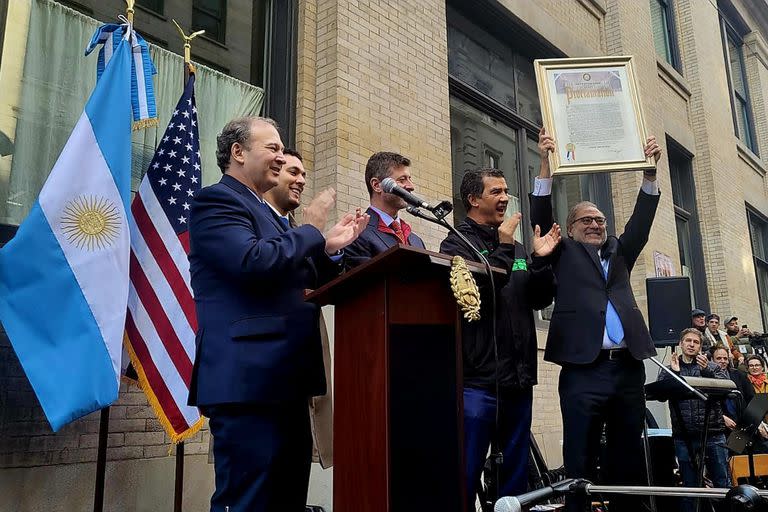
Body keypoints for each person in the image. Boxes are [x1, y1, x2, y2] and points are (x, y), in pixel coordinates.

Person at [187, 116, 368, 511]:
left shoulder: (268, 214)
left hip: (286, 382)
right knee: (249, 501)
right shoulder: (216, 201)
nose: (281, 157)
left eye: (282, 150)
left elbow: (300, 275)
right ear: (238, 152)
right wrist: (314, 227)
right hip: (248, 383)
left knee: (285, 499)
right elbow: (253, 261)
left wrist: (331, 248)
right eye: (273, 148)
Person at [530, 127, 662, 512]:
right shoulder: (563, 251)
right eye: (586, 220)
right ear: (570, 228)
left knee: (628, 458)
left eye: (600, 220)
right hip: (583, 370)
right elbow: (541, 214)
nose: (595, 224)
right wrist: (545, 164)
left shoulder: (621, 251)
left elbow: (641, 221)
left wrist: (649, 175)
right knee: (579, 457)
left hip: (627, 371)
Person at [439, 168, 560, 511]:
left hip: (518, 380)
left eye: (506, 190)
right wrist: (506, 247)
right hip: (479, 381)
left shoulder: (516, 244)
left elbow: (537, 300)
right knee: (466, 471)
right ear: (474, 199)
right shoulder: (456, 242)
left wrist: (540, 261)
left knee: (514, 480)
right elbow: (477, 294)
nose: (505, 197)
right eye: (496, 192)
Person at [263, 148, 334, 468]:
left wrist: (331, 249)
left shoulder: (300, 231)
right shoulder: (250, 219)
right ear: (272, 173)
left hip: (302, 380)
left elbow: (322, 285)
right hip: (265, 383)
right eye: (294, 172)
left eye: (304, 174)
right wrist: (312, 231)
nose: (302, 180)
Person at [658, 329, 730, 512]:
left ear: (700, 346)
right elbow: (659, 394)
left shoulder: (712, 367)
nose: (691, 344)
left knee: (722, 482)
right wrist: (674, 373)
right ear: (681, 344)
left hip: (713, 434)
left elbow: (726, 392)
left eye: (695, 342)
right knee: (690, 485)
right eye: (688, 341)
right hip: (684, 435)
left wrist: (706, 371)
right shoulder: (670, 368)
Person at [344, 151, 426, 268]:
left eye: (410, 179)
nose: (411, 186)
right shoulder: (356, 233)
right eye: (402, 180)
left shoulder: (416, 241)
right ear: (377, 185)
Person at [712, 346, 754, 431]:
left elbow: (751, 398)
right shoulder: (708, 378)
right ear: (712, 360)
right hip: (720, 425)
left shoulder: (739, 375)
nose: (723, 361)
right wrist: (722, 417)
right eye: (719, 358)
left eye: (725, 358)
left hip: (743, 423)